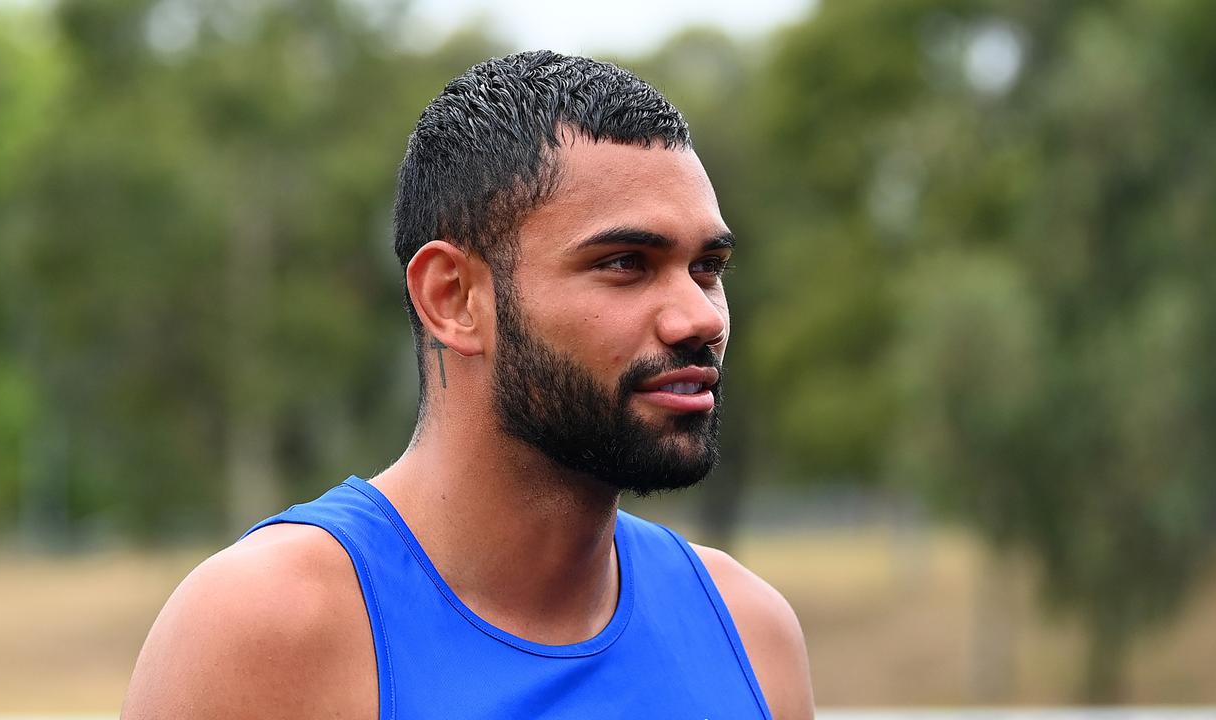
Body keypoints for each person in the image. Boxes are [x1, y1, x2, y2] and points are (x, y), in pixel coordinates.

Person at [122, 50, 813, 719]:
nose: (699, 318)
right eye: (627, 263)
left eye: (708, 268)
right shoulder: (271, 630)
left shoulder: (750, 634)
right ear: (453, 298)